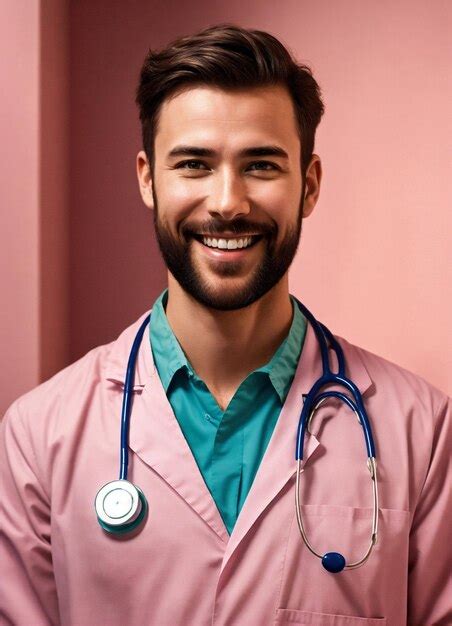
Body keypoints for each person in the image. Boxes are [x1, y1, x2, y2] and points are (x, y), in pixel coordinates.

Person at [1, 24, 450, 626]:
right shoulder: (38, 437)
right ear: (147, 179)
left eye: (261, 165)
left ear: (308, 185)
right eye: (193, 164)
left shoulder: (420, 432)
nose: (228, 202)